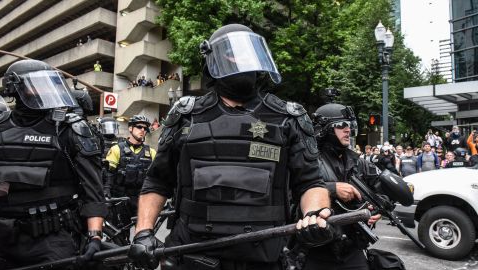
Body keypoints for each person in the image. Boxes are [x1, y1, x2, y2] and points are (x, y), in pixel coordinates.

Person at [128, 24, 334, 270]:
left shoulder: (288, 118)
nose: (244, 60)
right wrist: (143, 232)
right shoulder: (186, 116)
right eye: (234, 53)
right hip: (192, 254)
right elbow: (157, 181)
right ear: (213, 61)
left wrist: (314, 215)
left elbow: (310, 182)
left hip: (263, 258)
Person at [0, 59, 107, 268]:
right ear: (14, 88)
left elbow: (93, 191)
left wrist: (95, 237)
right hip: (3, 236)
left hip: (51, 239)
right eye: (36, 85)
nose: (44, 91)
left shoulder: (68, 129)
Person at [303, 103, 383, 270]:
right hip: (316, 250)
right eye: (341, 125)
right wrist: (332, 189)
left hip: (353, 248)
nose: (348, 130)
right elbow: (292, 193)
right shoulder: (307, 160)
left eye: (349, 125)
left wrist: (375, 210)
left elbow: (380, 191)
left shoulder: (358, 162)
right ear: (324, 129)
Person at [104, 115, 156, 211]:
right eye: (139, 127)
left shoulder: (151, 152)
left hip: (142, 199)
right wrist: (106, 190)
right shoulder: (116, 149)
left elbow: (156, 176)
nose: (142, 130)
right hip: (120, 199)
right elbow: (109, 173)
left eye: (145, 128)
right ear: (130, 128)